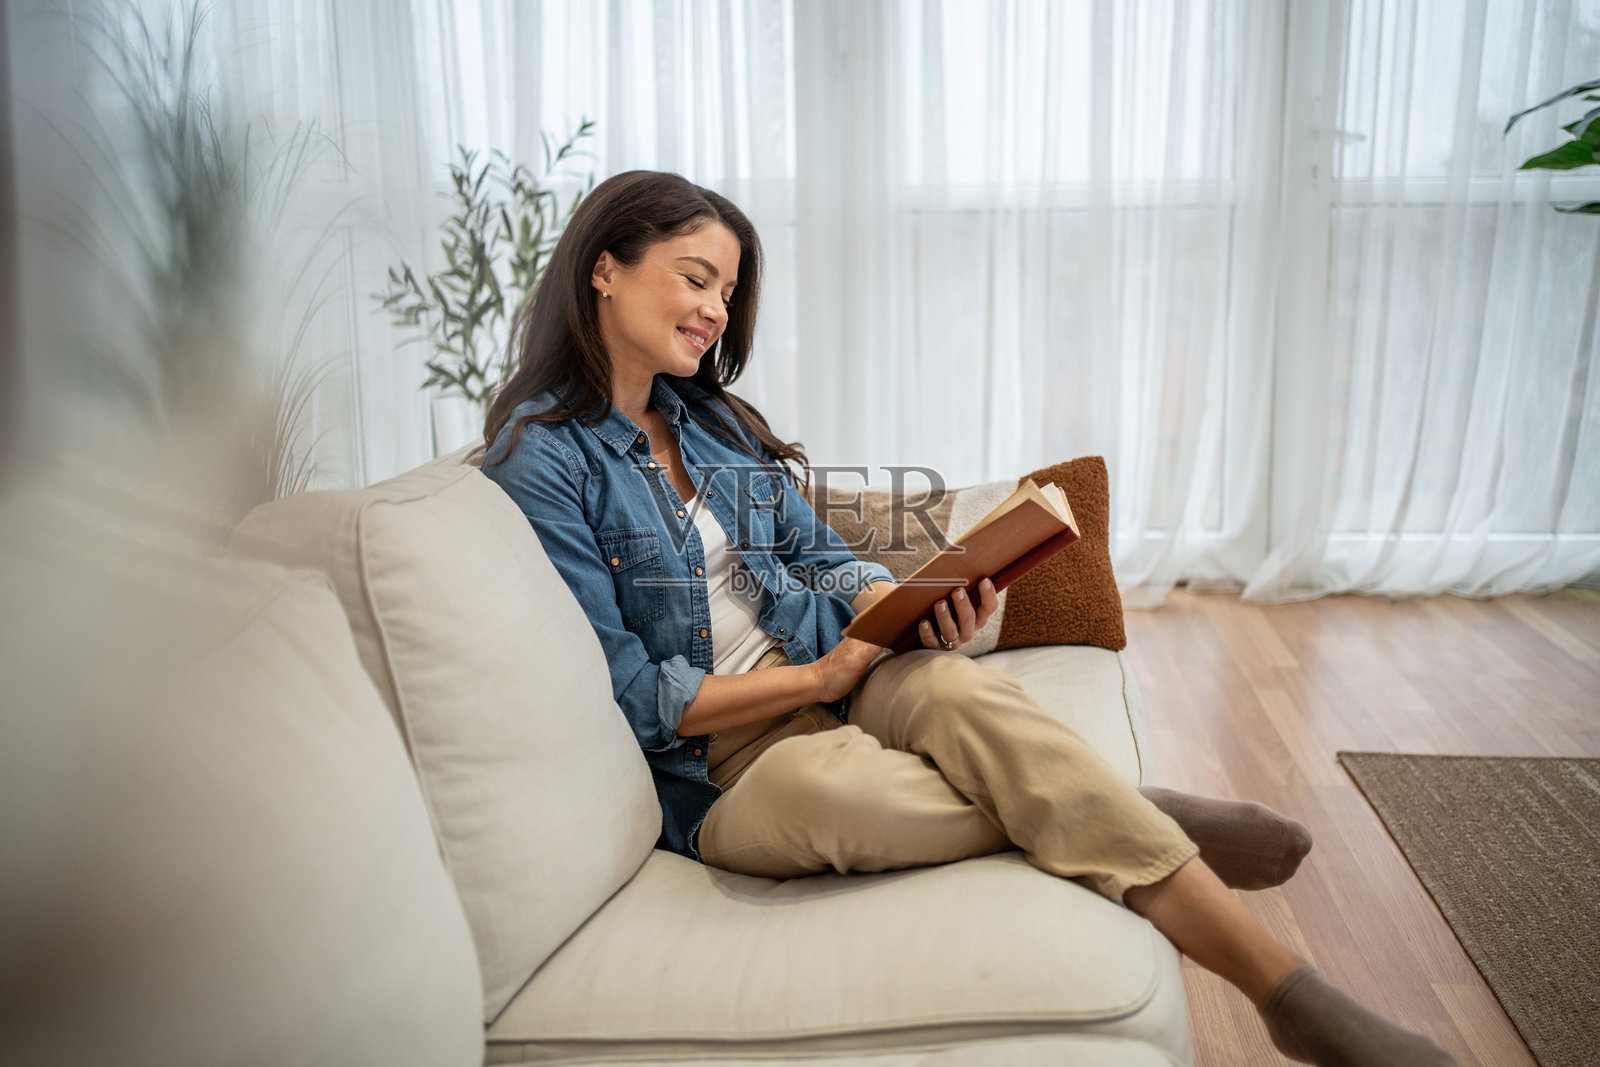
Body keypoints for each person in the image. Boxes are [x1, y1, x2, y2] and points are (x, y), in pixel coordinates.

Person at [480, 170, 1457, 1067]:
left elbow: (820, 556)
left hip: (852, 665)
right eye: (695, 277)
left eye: (727, 293)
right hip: (721, 764)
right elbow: (633, 691)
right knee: (858, 802)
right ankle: (1131, 807)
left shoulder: (714, 421)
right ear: (603, 265)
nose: (712, 310)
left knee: (954, 687)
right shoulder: (543, 460)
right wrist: (818, 682)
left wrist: (904, 608)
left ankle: (1288, 990)